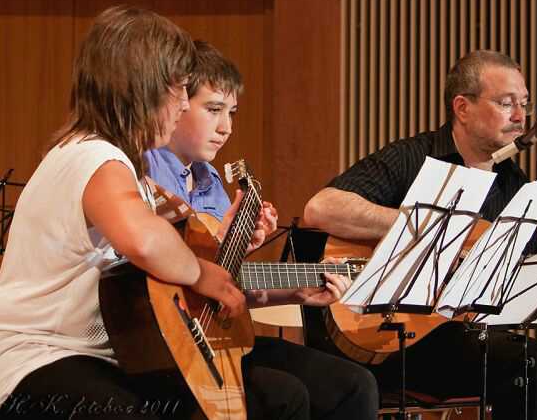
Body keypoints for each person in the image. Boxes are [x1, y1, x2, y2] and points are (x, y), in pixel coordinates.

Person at [0, 7, 377, 420]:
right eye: (180, 90)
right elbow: (144, 241)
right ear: (145, 87)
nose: (184, 104)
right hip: (35, 361)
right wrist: (202, 272)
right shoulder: (94, 157)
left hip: (111, 357)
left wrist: (231, 264)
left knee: (279, 395)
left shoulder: (119, 165)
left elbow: (157, 281)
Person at [303, 50, 537, 419]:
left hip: (471, 339)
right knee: (526, 364)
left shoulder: (513, 184)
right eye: (506, 103)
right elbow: (321, 208)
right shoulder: (413, 157)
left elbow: (525, 275)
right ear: (462, 108)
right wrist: (430, 229)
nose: (520, 116)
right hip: (394, 336)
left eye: (524, 104)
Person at [144, 40, 378, 420]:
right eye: (213, 110)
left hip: (214, 337)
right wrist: (221, 242)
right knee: (284, 396)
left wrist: (296, 291)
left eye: (232, 113)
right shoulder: (146, 171)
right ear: (177, 103)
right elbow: (155, 283)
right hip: (164, 345)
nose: (226, 128)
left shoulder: (210, 182)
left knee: (355, 385)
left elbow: (224, 289)